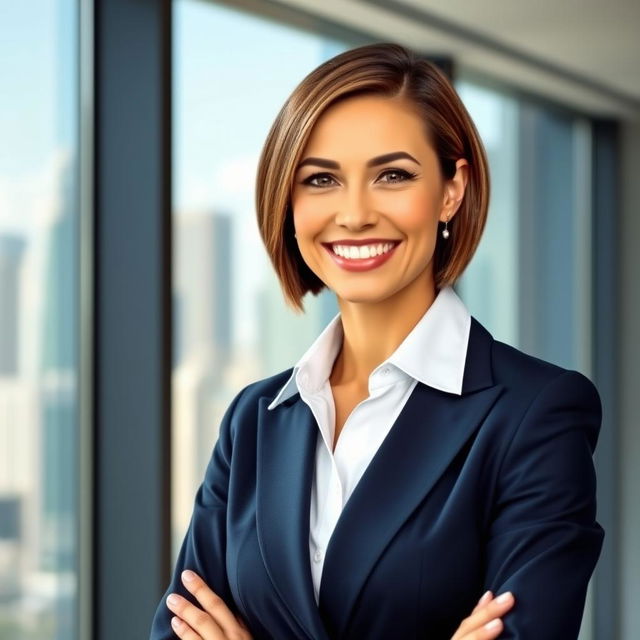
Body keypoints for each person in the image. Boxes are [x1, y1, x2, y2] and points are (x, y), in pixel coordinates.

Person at [149, 42, 604, 639]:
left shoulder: (536, 413)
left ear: (451, 189)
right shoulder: (254, 420)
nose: (355, 214)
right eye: (321, 179)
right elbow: (178, 627)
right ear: (289, 203)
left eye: (393, 175)